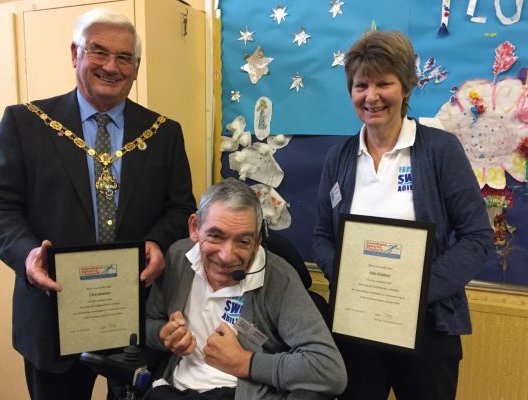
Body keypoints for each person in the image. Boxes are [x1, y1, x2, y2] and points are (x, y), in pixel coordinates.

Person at [0, 7, 196, 400]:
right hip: (51, 315)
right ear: (75, 55)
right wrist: (27, 255)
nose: (112, 66)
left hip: (136, 316)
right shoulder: (26, 123)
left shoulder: (164, 133)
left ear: (136, 66)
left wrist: (159, 243)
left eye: (124, 57)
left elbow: (181, 208)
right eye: (99, 52)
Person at [312, 31, 493, 400]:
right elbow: (321, 236)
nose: (371, 96)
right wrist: (346, 278)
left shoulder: (440, 150)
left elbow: (477, 237)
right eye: (361, 85)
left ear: (406, 88)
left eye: (384, 83)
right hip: (356, 325)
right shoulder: (339, 158)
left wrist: (415, 290)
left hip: (428, 327)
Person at [145, 178, 347, 400]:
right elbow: (147, 324)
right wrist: (162, 335)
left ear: (258, 240)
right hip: (175, 389)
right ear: (194, 228)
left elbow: (329, 369)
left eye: (243, 241)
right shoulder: (177, 257)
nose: (227, 256)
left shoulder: (279, 278)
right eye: (215, 236)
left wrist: (244, 362)